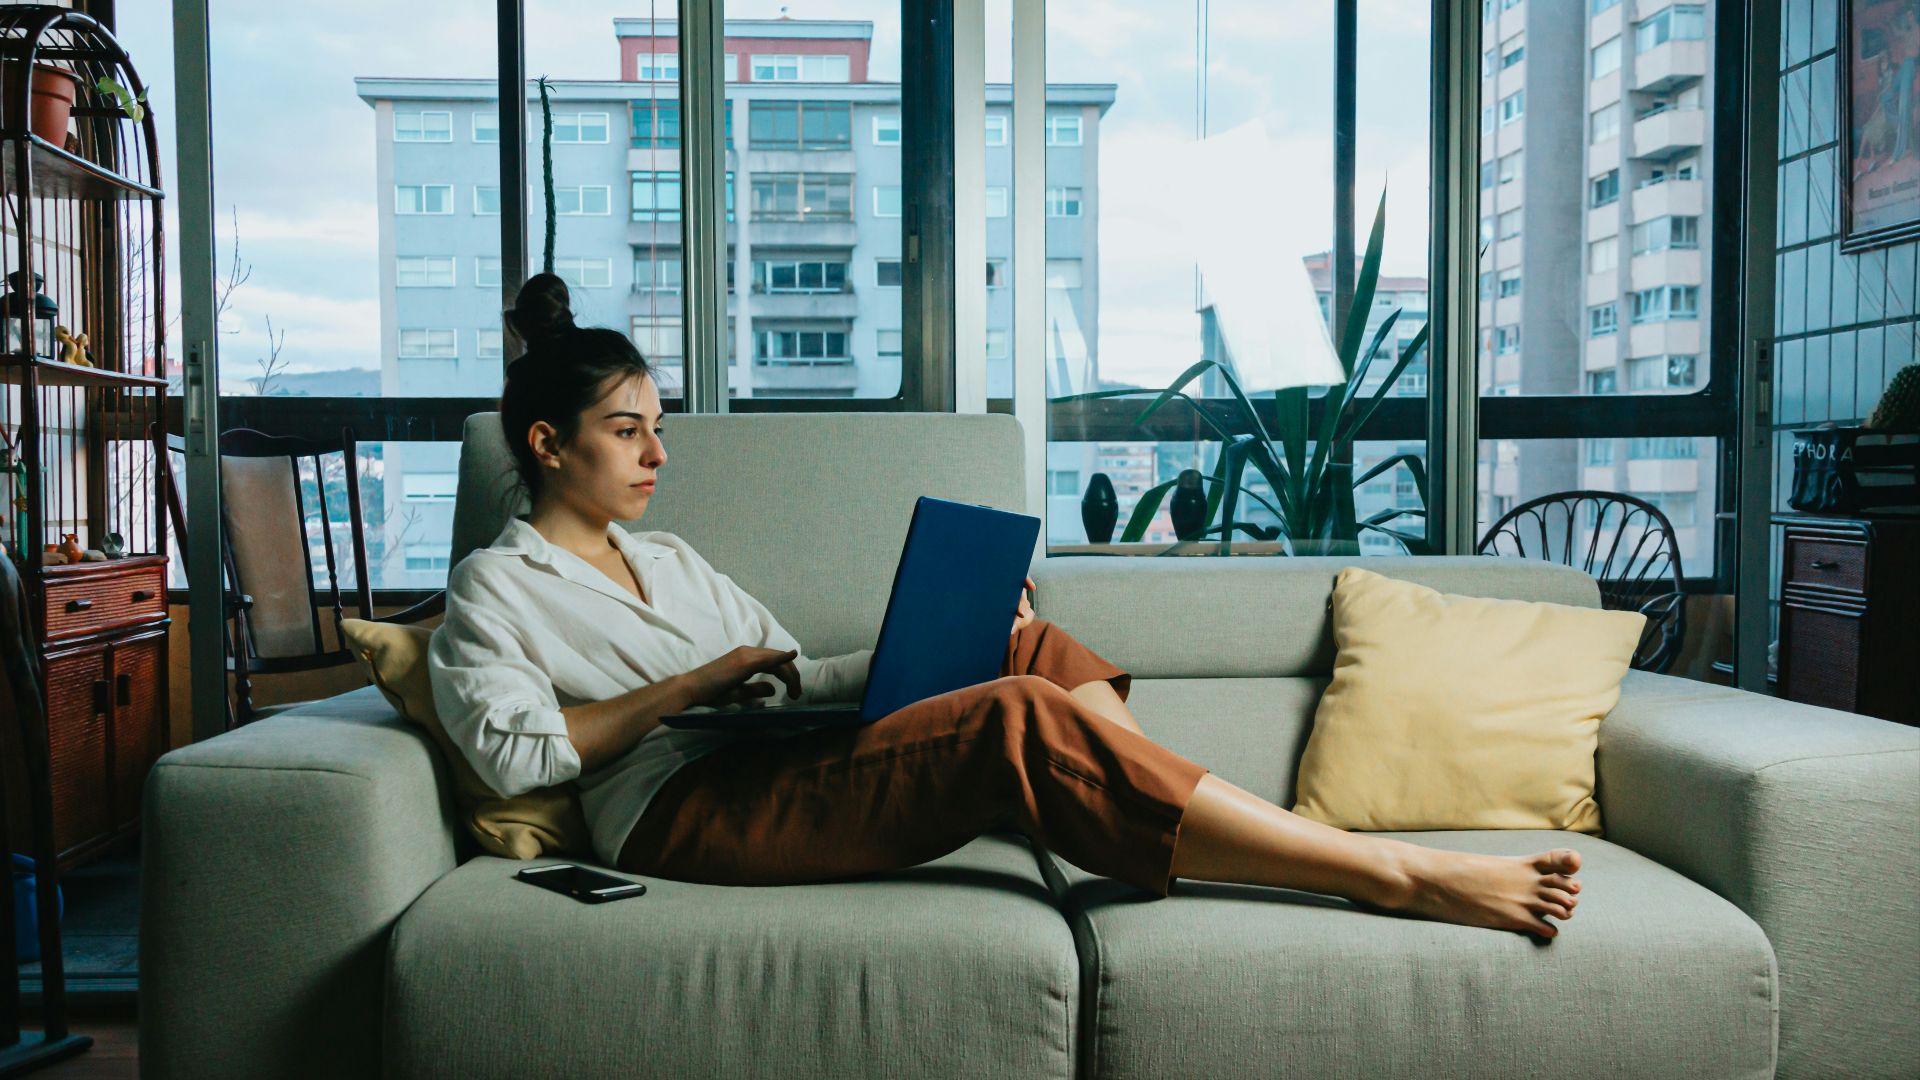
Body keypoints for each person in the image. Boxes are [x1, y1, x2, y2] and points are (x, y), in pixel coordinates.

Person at [428, 274, 1583, 940]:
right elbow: (517, 751)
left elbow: (785, 674)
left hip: (768, 760)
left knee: (1022, 644)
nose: (656, 455)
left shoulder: (669, 557)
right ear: (546, 443)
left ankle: (1151, 811)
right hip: (679, 814)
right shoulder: (495, 586)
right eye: (628, 431)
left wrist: (951, 631)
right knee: (1015, 717)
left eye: (658, 427)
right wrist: (689, 686)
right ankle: (1387, 872)